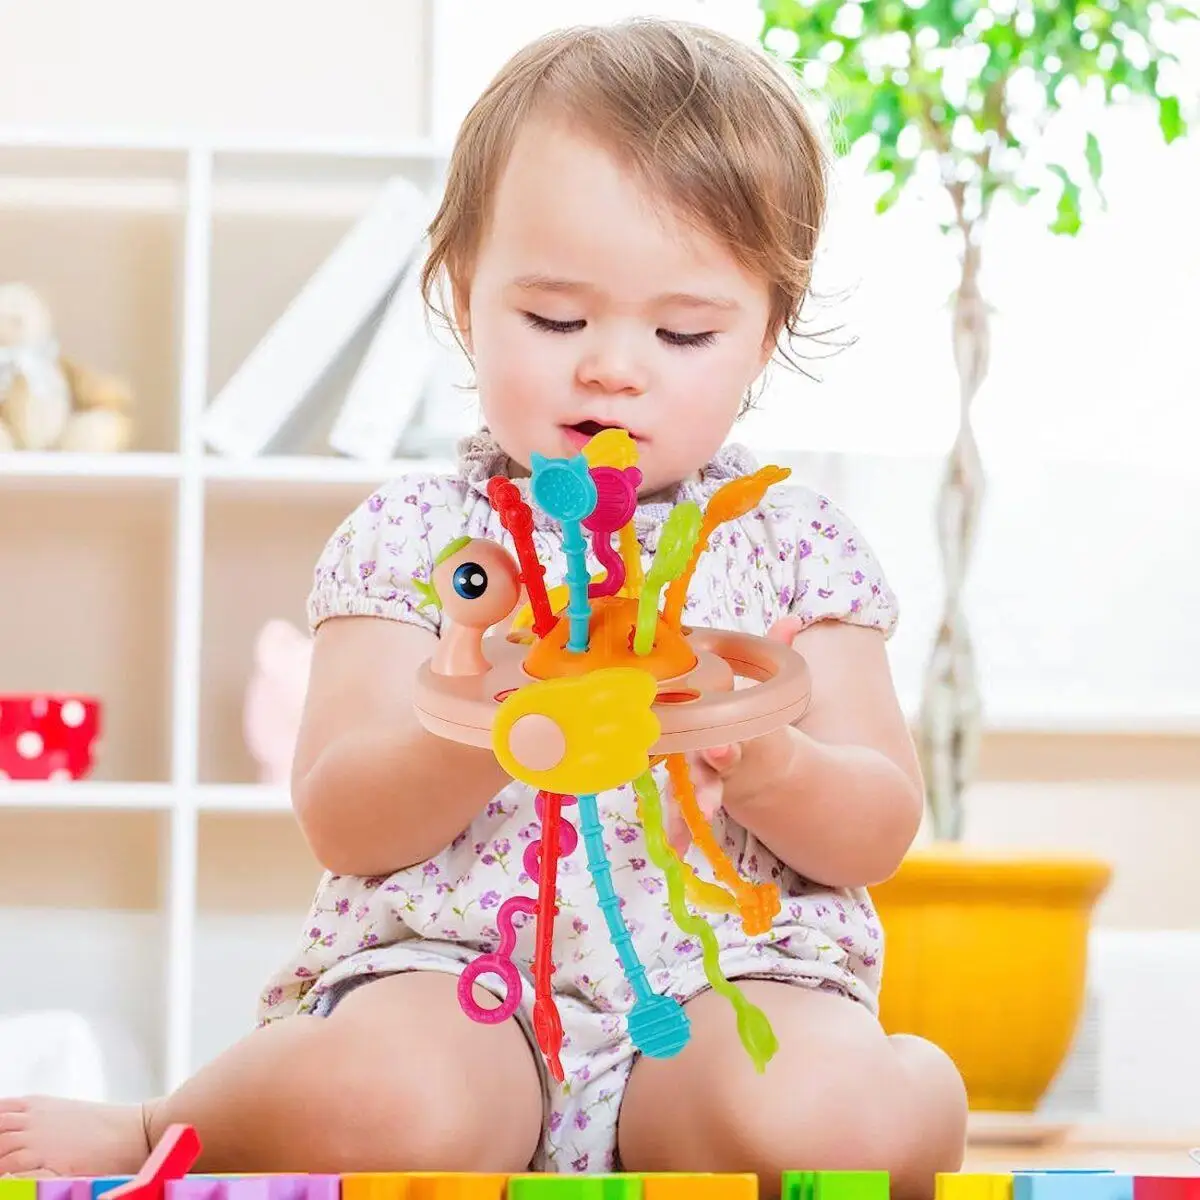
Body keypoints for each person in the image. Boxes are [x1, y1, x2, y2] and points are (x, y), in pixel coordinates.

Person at [0, 17, 967, 1200]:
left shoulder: (795, 542)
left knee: (814, 1121)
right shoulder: (418, 538)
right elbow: (344, 818)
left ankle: (906, 1085)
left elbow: (877, 824)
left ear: (765, 332)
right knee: (388, 1103)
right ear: (464, 298)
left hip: (734, 986)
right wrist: (485, 719)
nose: (613, 367)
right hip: (457, 983)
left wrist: (768, 760)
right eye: (555, 320)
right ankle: (168, 1116)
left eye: (684, 332)